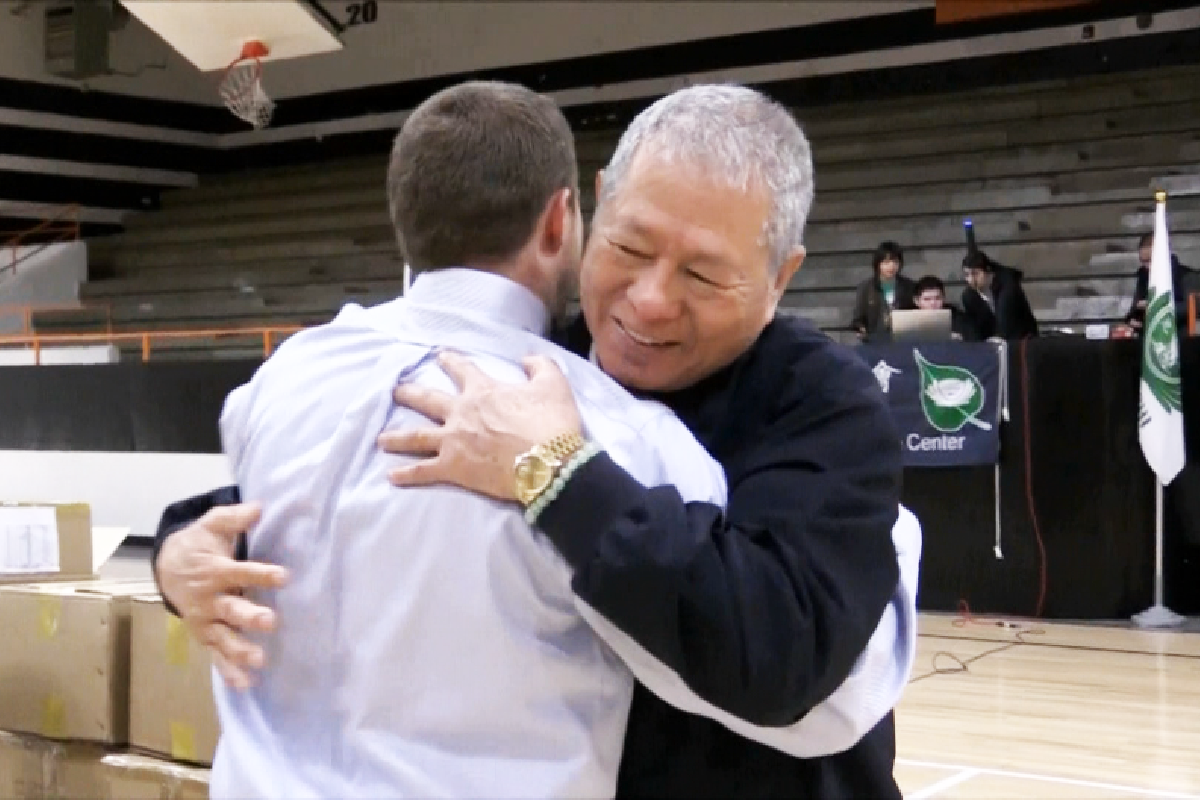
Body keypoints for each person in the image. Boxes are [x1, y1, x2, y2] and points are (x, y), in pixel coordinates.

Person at [155, 84, 919, 799]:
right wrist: (184, 543)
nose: (649, 302)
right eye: (628, 248)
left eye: (704, 276)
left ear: (780, 278)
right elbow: (374, 483)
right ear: (583, 213)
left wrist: (557, 474)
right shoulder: (545, 355)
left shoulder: (827, 407)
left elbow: (783, 656)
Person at [1122, 231, 1199, 335]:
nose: (1147, 267)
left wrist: (1156, 306)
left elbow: (1191, 309)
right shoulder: (1143, 277)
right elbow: (1134, 310)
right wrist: (1132, 321)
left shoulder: (1187, 276)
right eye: (1143, 261)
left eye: (1150, 261)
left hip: (1180, 337)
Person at [961, 250, 1039, 341]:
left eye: (975, 274)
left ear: (988, 271)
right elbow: (974, 326)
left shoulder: (1007, 286)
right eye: (967, 275)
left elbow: (1006, 320)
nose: (971, 280)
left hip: (1022, 338)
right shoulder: (969, 296)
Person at [851, 240, 916, 342]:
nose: (891, 266)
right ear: (878, 264)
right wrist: (861, 329)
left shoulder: (909, 286)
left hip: (903, 342)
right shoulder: (866, 288)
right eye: (886, 262)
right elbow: (858, 319)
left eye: (895, 262)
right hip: (874, 342)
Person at [912, 274, 974, 340]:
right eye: (927, 299)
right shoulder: (909, 322)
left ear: (944, 299)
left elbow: (974, 343)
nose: (933, 303)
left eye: (937, 298)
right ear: (916, 301)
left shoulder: (960, 320)